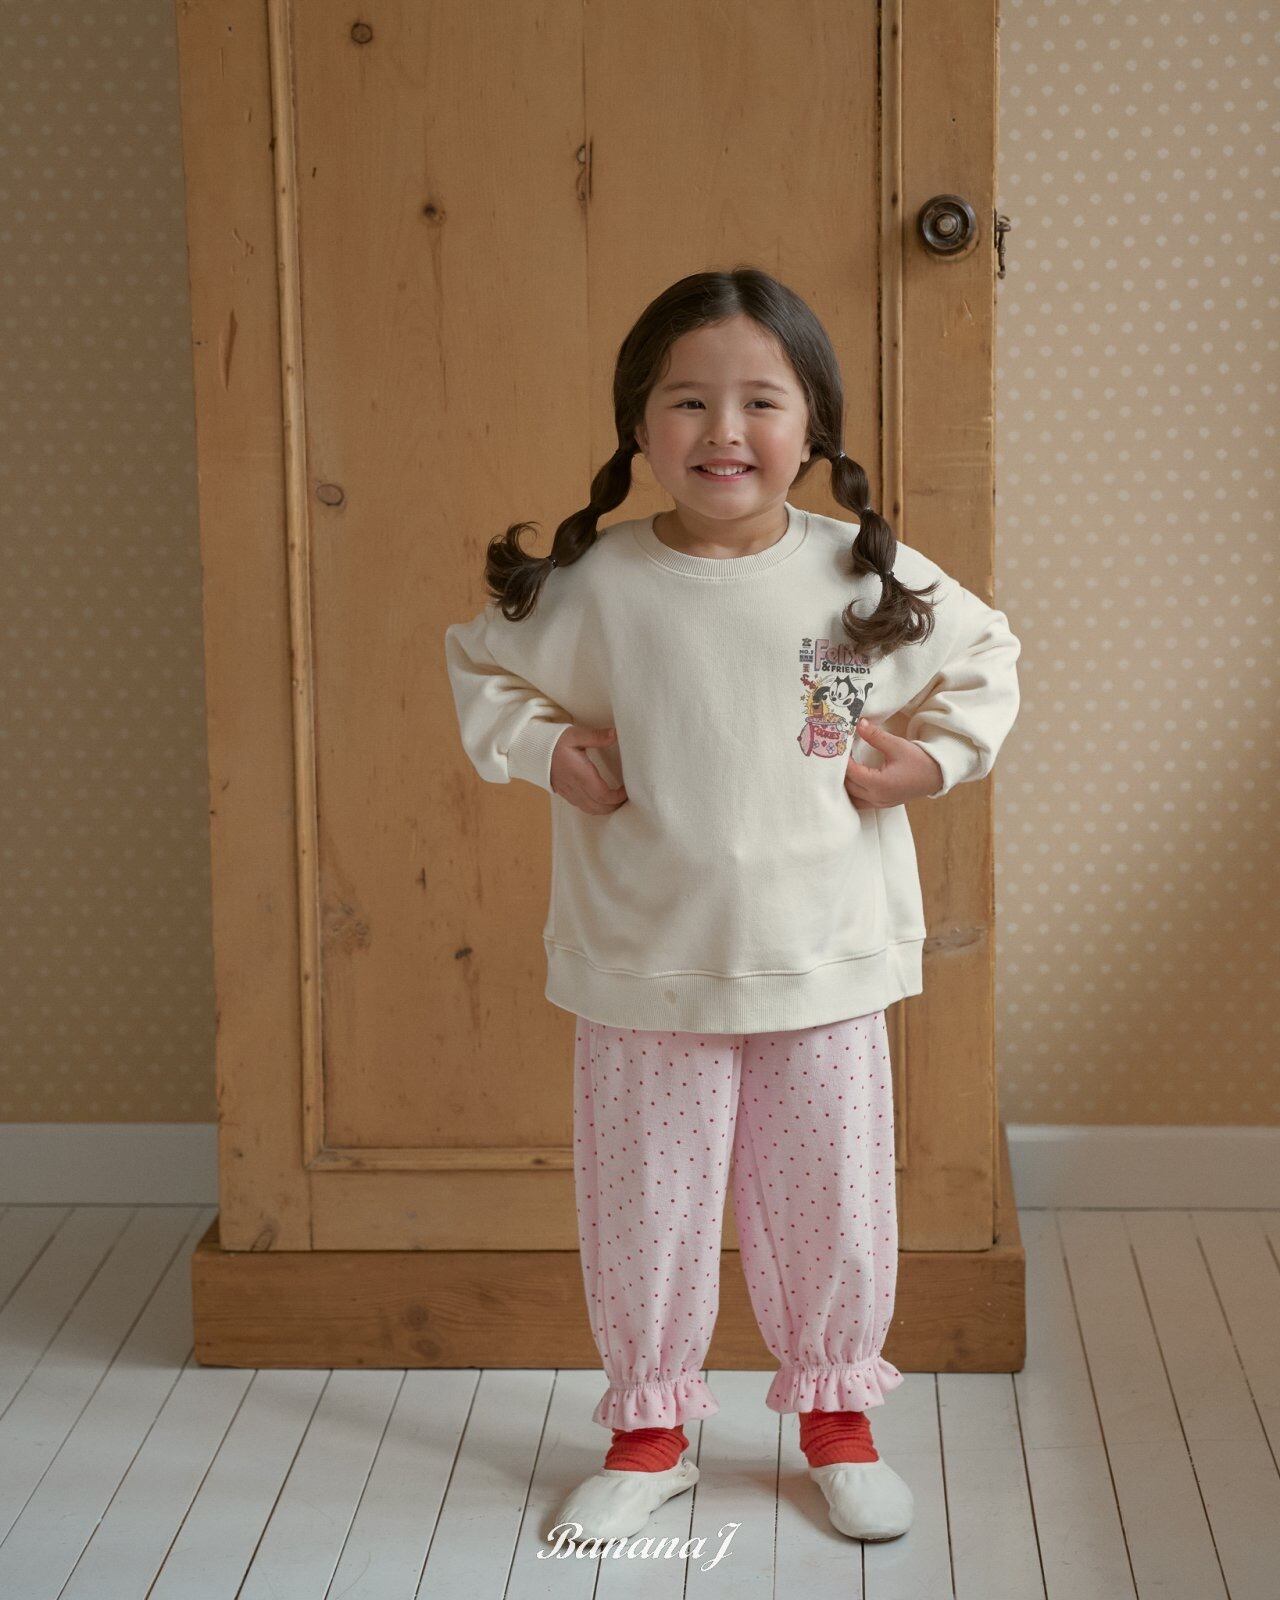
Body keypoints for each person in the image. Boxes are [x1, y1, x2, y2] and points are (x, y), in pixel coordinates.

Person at [443, 267, 1021, 1546]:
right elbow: (480, 665)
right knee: (645, 1200)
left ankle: (837, 1421)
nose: (722, 430)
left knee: (834, 1197)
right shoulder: (597, 582)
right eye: (686, 400)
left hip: (822, 953)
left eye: (759, 400)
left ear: (811, 424)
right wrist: (547, 751)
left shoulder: (857, 578)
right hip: (643, 959)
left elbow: (985, 656)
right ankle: (648, 1435)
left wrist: (928, 762)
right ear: (637, 426)